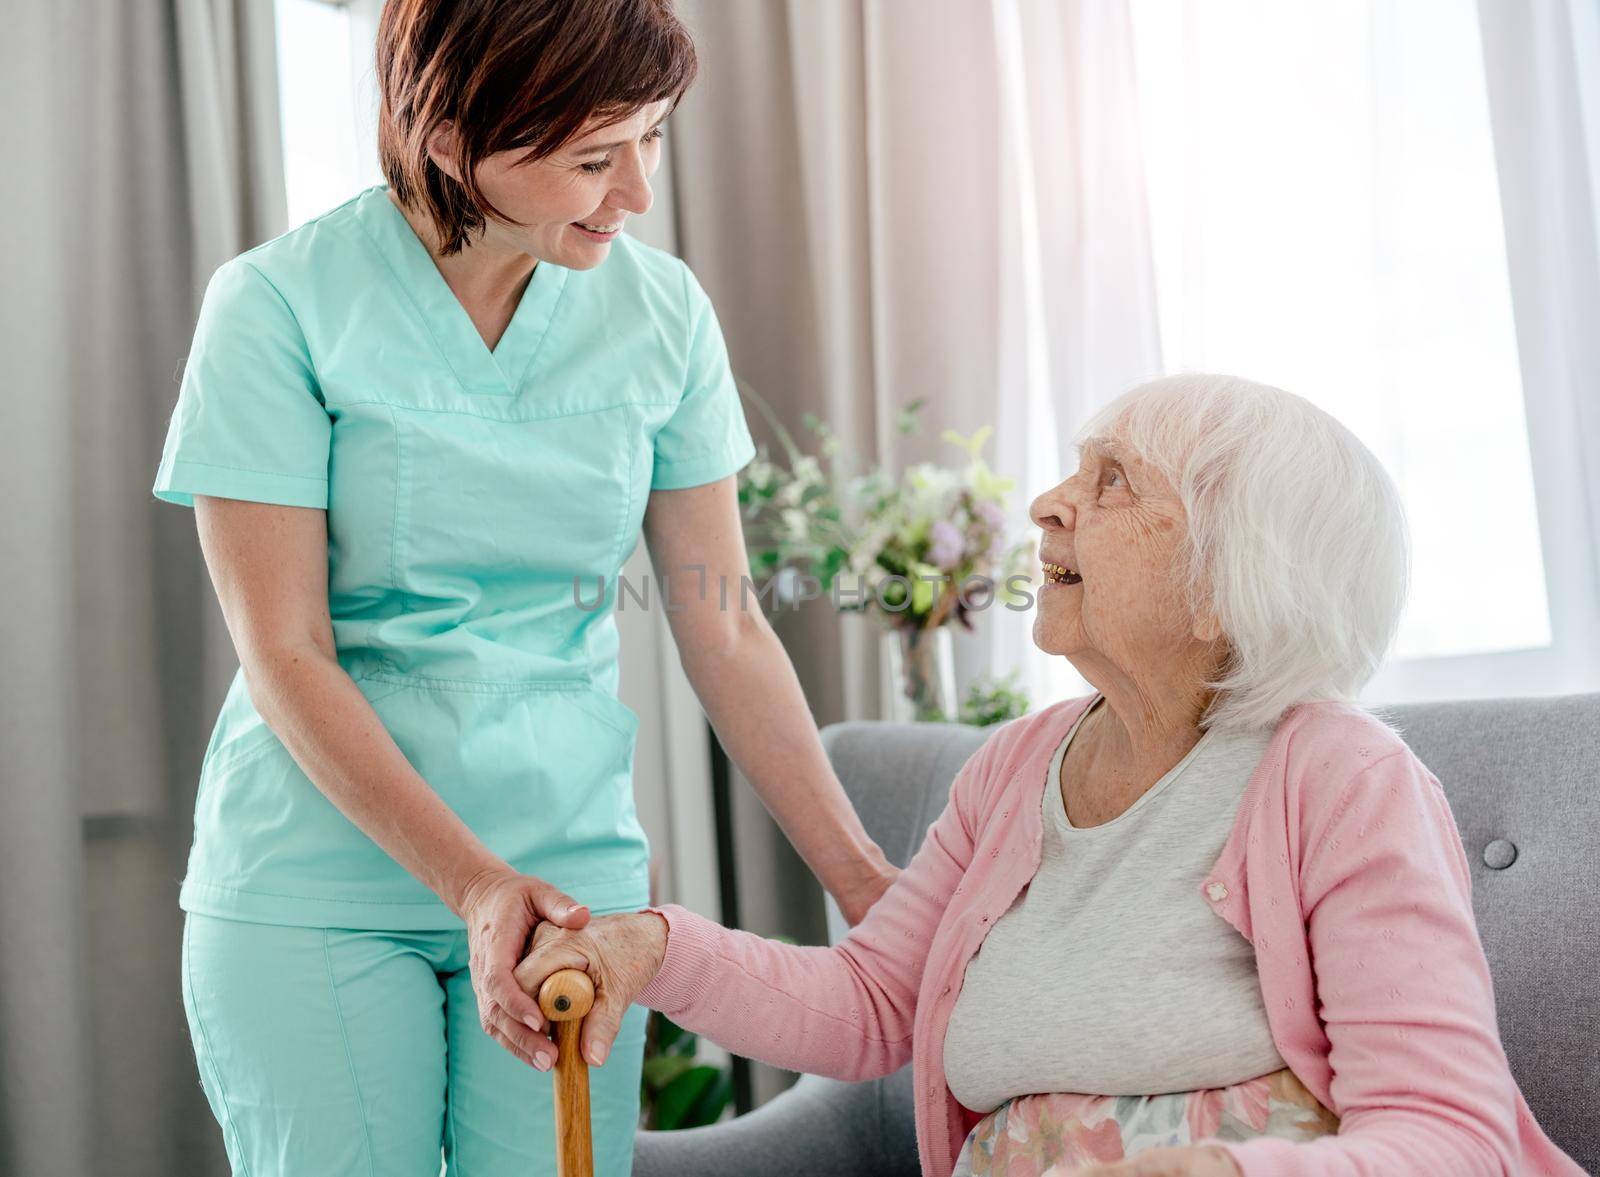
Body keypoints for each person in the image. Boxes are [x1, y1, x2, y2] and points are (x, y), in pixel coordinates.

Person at [151, 2, 895, 1173]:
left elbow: (724, 620)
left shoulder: (660, 314)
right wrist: (473, 883)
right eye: (594, 159)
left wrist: (862, 875)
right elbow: (284, 647)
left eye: (651, 139)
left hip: (567, 883)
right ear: (449, 139)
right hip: (322, 871)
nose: (637, 191)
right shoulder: (278, 304)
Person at [515, 375, 1585, 1177]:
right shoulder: (1014, 767)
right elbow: (868, 1001)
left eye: (1110, 480)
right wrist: (647, 944)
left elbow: (1448, 1134)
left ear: (1227, 574)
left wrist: (1223, 1172)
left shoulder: (1340, 778)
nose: (1048, 503)